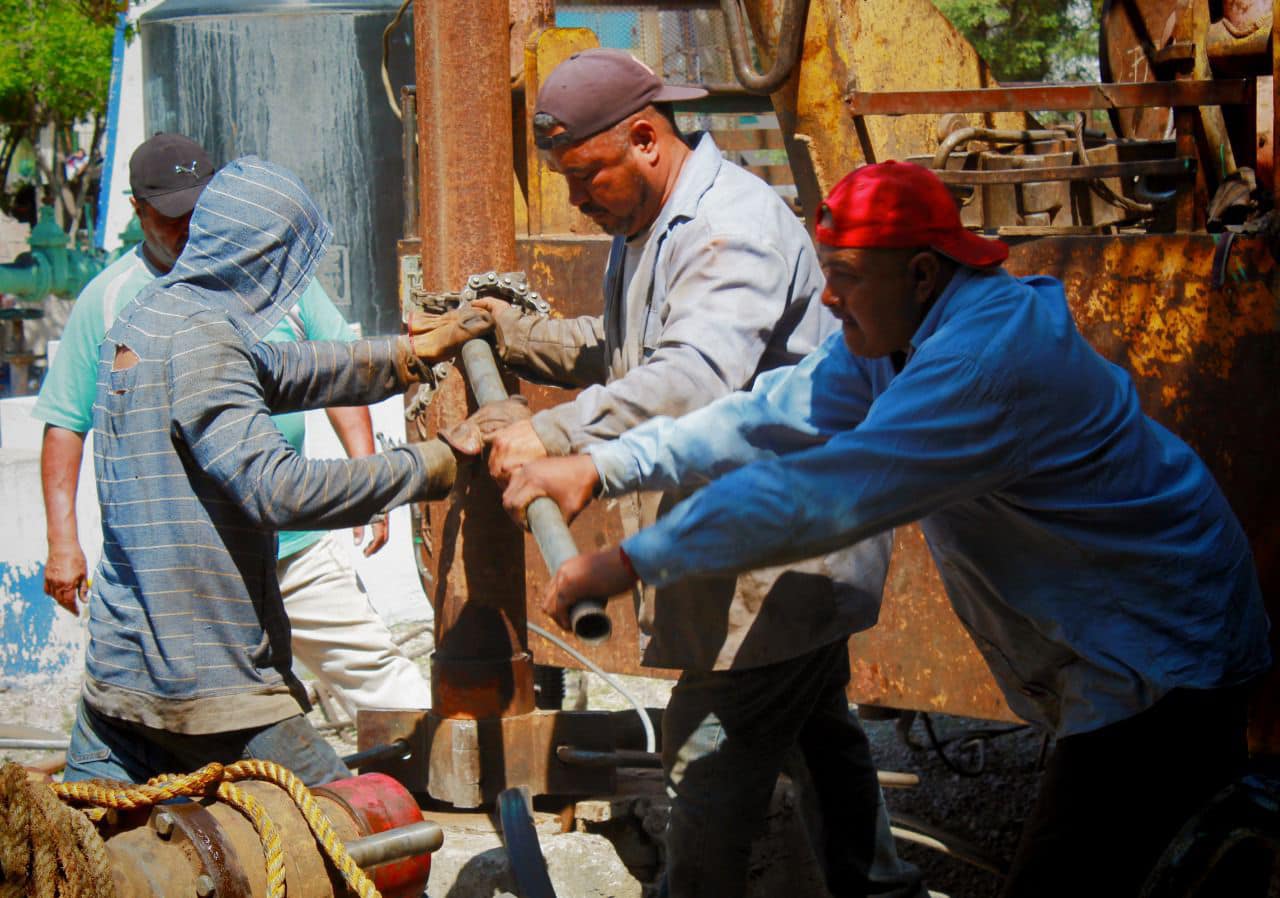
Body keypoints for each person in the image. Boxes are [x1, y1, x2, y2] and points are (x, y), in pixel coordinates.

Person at [505, 160, 1274, 897]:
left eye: (845, 275)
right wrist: (602, 465)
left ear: (922, 273)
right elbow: (763, 416)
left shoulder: (981, 364)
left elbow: (819, 493)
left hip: (1166, 646)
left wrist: (632, 560)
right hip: (1117, 641)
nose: (828, 297)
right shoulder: (897, 334)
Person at [444, 48, 923, 898]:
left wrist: (550, 433)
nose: (578, 198)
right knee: (820, 737)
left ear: (645, 138)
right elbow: (632, 344)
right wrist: (514, 336)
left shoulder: (728, 228)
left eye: (587, 176)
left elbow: (692, 376)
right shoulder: (653, 220)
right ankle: (880, 889)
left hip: (782, 554)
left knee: (704, 764)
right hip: (763, 552)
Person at [54, 155, 486, 786]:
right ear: (261, 258)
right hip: (207, 684)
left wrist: (413, 354)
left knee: (88, 841)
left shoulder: (151, 314)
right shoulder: (203, 338)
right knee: (360, 833)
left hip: (119, 679)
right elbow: (276, 489)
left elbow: (286, 369)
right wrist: (432, 464)